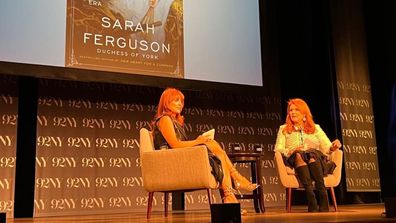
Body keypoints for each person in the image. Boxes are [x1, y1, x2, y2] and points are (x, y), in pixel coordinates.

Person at [151, 88, 259, 213]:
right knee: (214, 149)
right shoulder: (165, 119)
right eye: (176, 100)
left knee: (217, 153)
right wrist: (198, 141)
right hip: (172, 164)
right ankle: (235, 183)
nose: (180, 104)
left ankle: (230, 196)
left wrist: (200, 141)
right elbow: (175, 145)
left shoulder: (175, 122)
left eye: (181, 101)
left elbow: (180, 145)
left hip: (180, 159)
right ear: (166, 102)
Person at [274, 98, 342, 212]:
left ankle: (322, 193)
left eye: (297, 110)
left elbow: (327, 146)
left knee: (311, 153)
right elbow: (278, 148)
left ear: (304, 113)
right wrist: (290, 151)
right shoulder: (284, 129)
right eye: (291, 110)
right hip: (295, 158)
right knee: (299, 154)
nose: (293, 112)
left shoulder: (316, 128)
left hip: (315, 158)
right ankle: (311, 197)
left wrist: (333, 147)